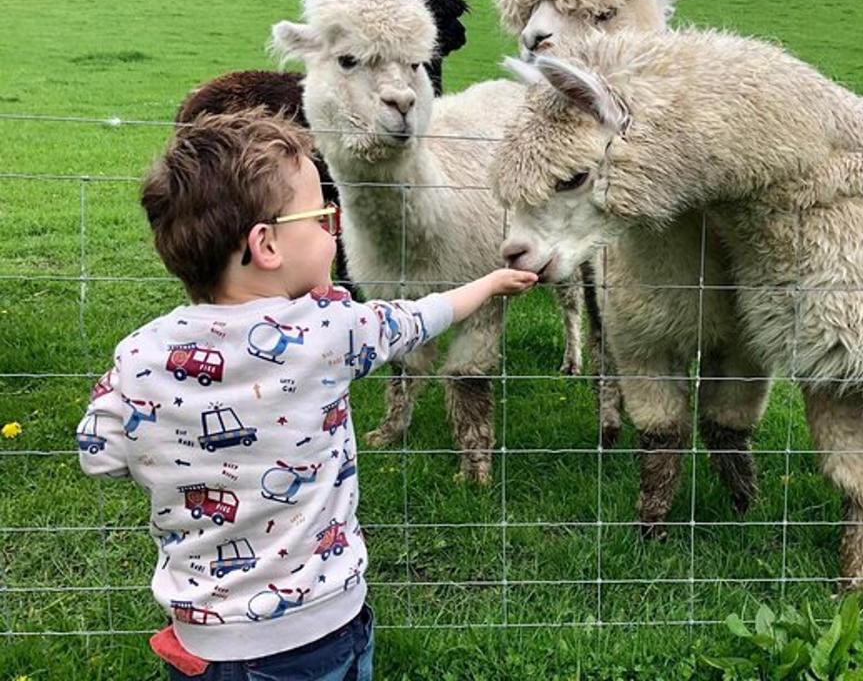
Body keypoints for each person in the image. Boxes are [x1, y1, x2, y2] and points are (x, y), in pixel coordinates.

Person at [75, 111, 537, 678]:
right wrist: (488, 283)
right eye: (323, 216)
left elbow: (98, 456)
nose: (333, 229)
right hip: (318, 628)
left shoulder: (139, 353)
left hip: (200, 644)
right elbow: (415, 319)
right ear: (266, 244)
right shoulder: (326, 330)